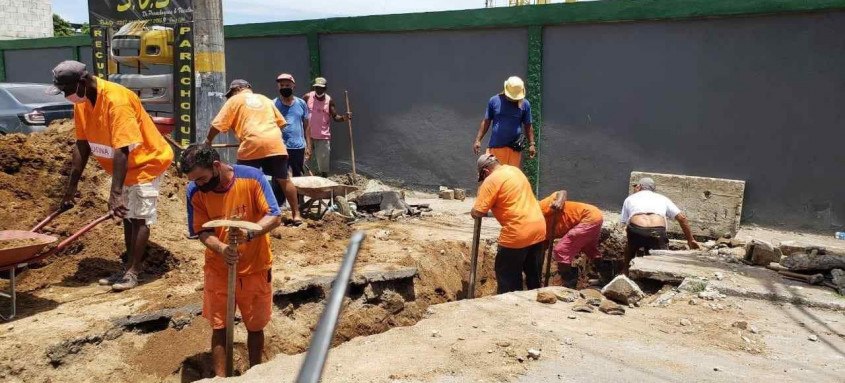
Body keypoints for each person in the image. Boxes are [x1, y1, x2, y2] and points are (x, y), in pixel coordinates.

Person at [48, 60, 174, 291]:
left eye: (67, 90)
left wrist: (115, 192)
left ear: (82, 82)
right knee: (127, 215)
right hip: (125, 166)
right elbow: (82, 144)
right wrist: (71, 186)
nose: (66, 95)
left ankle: (134, 272)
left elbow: (123, 148)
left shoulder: (117, 101)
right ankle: (128, 266)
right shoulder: (83, 101)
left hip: (147, 162)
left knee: (139, 217)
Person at [182, 144, 281, 377]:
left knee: (255, 327)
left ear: (216, 166)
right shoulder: (194, 192)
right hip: (219, 270)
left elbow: (274, 215)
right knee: (219, 327)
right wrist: (221, 248)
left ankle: (255, 374)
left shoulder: (252, 178)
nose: (200, 185)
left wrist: (251, 233)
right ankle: (220, 378)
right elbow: (200, 230)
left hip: (254, 267)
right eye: (195, 180)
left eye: (203, 178)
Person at [204, 79, 302, 225]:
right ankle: (297, 215)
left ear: (237, 89)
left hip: (251, 143)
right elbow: (281, 123)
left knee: (239, 179)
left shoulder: (234, 101)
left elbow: (217, 125)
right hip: (275, 143)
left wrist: (208, 141)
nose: (231, 96)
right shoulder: (265, 99)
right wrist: (267, 137)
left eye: (231, 93)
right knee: (284, 179)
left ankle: (242, 215)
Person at [470, 153, 546, 294]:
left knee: (508, 279)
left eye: (483, 176)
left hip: (517, 233)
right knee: (533, 278)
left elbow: (478, 211)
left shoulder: (491, 179)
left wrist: (474, 209)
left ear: (485, 171)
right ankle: (535, 309)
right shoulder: (515, 171)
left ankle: (511, 312)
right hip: (539, 229)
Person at [621, 177, 700, 273]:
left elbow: (624, 224)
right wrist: (690, 240)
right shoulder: (662, 198)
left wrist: (633, 239)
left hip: (637, 229)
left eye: (635, 186)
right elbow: (682, 218)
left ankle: (625, 272)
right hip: (657, 231)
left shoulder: (630, 199)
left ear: (639, 187)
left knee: (630, 247)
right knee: (661, 260)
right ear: (653, 189)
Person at [538, 190, 604, 288]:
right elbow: (542, 249)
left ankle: (569, 283)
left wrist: (559, 201)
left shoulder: (539, 208)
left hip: (587, 218)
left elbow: (562, 192)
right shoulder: (538, 232)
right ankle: (606, 278)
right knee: (590, 250)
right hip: (594, 216)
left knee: (561, 250)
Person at [473, 76, 536, 168]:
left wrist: (532, 144)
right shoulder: (494, 101)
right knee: (494, 176)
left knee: (510, 179)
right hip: (495, 148)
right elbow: (486, 121)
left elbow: (528, 125)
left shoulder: (525, 104)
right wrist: (478, 140)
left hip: (514, 150)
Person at [302, 77, 351, 178]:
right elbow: (299, 112)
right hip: (308, 136)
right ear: (314, 87)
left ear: (325, 88)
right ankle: (308, 183)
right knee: (304, 161)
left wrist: (344, 117)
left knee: (323, 166)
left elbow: (335, 117)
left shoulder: (329, 101)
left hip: (323, 137)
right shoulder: (307, 97)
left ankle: (324, 183)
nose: (319, 90)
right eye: (317, 87)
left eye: (321, 88)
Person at [273, 73, 310, 177]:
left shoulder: (301, 103)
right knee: (281, 176)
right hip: (280, 147)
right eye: (282, 85)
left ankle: (299, 194)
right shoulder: (273, 104)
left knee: (298, 176)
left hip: (298, 147)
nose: (284, 87)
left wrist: (309, 146)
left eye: (287, 85)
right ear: (278, 87)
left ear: (293, 86)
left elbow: (306, 126)